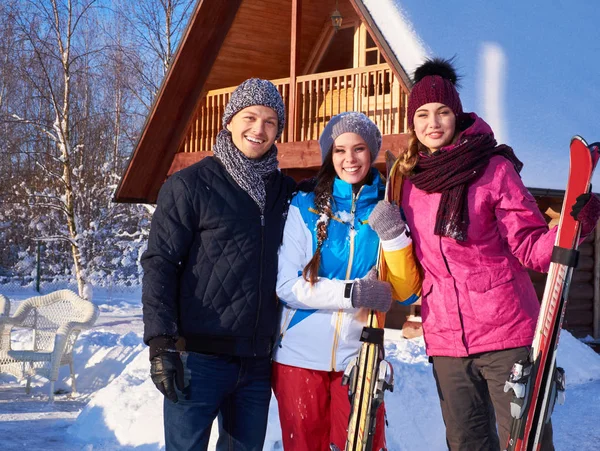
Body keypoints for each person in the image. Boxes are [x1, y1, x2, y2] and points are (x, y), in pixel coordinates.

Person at [380, 57, 600, 450]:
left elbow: (531, 247)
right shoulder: (408, 181)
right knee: (466, 442)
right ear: (412, 122)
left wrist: (573, 227)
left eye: (443, 112)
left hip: (506, 331)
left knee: (525, 440)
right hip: (446, 340)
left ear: (458, 114)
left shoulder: (494, 168)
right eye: (423, 114)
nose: (433, 123)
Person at [141, 78, 296, 451]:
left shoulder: (285, 191)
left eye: (271, 121)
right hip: (198, 358)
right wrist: (161, 343)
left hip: (257, 360)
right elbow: (160, 262)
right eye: (250, 117)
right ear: (229, 120)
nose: (259, 129)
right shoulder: (190, 185)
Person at [272, 112, 421, 451]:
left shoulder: (389, 206)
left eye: (359, 149)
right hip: (298, 356)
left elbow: (407, 290)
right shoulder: (304, 205)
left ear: (372, 153)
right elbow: (287, 286)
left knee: (361, 445)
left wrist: (395, 236)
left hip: (361, 355)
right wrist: (353, 292)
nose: (349, 159)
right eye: (339, 150)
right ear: (330, 155)